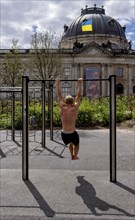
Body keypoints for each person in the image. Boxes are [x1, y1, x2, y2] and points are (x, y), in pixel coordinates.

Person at [55, 78, 83, 160]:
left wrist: (57, 84)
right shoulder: (74, 109)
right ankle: (75, 156)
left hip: (64, 134)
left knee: (70, 143)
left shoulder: (62, 108)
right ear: (73, 102)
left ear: (65, 102)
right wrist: (80, 84)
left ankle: (72, 156)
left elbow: (59, 95)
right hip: (72, 132)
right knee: (76, 145)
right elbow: (78, 96)